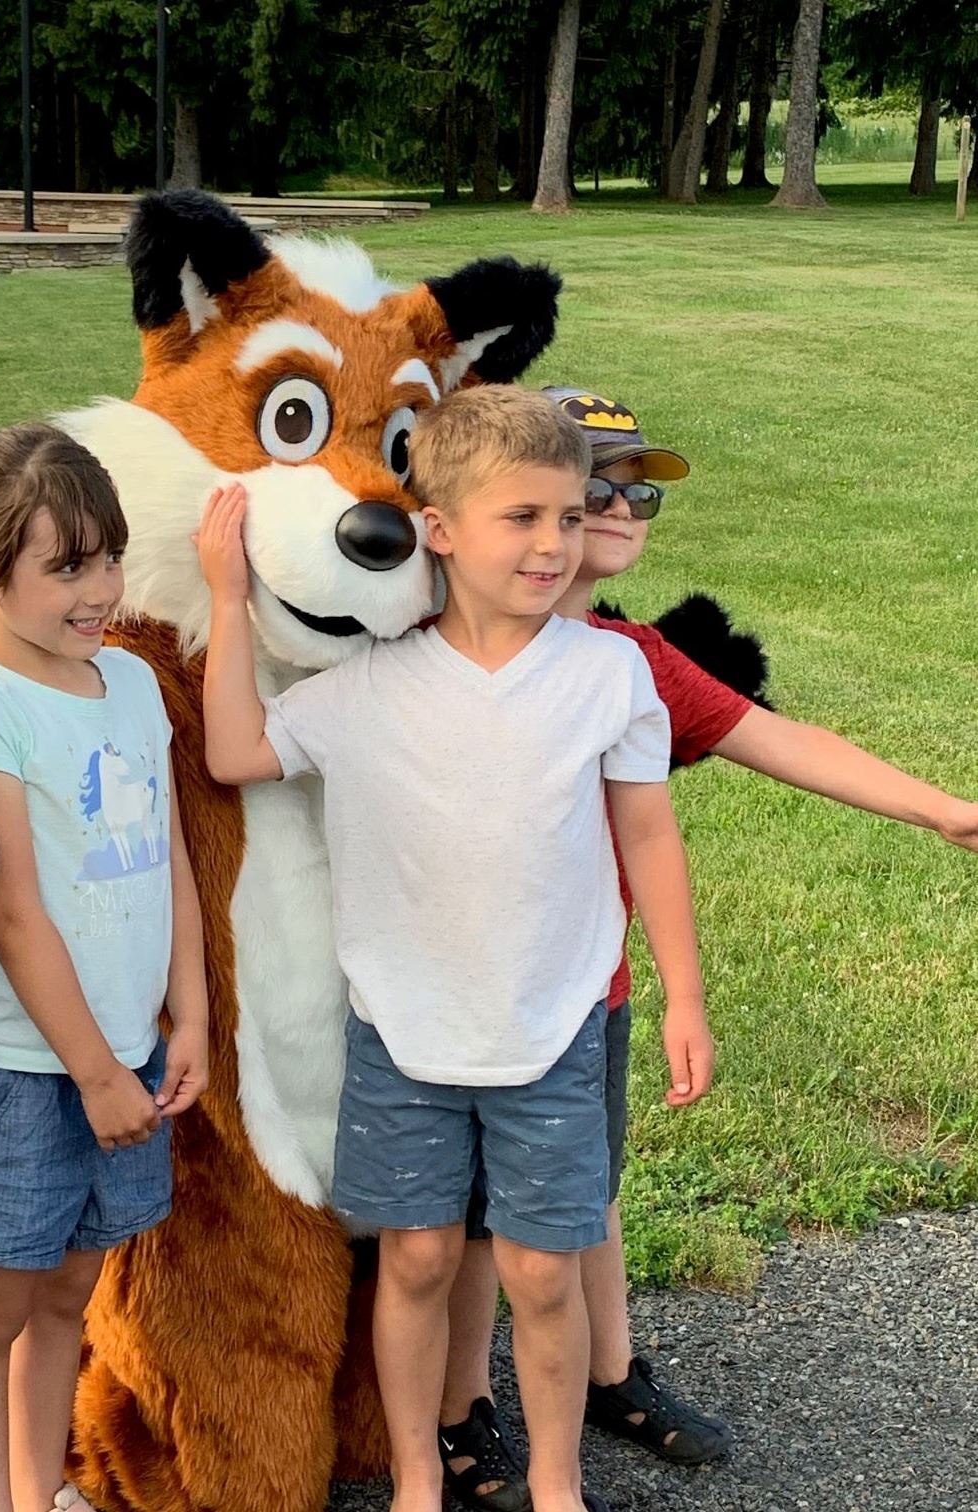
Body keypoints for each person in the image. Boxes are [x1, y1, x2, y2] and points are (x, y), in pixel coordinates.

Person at [437, 385, 978, 1511]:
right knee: (477, 1221)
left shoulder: (630, 658)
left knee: (582, 1190)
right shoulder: (444, 640)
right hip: (463, 989)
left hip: (592, 986)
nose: (626, 505)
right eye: (604, 481)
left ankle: (609, 1374)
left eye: (642, 489)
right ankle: (459, 1415)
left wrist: (944, 810)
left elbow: (782, 738)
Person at [193, 383, 715, 1512]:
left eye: (569, 517)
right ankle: (420, 1477)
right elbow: (234, 751)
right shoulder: (366, 689)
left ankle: (561, 1484)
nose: (552, 544)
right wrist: (228, 599)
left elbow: (648, 833)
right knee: (419, 1261)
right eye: (520, 518)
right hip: (402, 1031)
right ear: (439, 529)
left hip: (555, 1028)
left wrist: (682, 996)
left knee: (540, 1270)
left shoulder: (610, 674)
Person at [0, 423, 209, 1512]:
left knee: (69, 1290)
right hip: (22, 1074)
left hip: (128, 1053)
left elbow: (169, 864)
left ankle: (37, 1490)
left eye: (106, 557)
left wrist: (188, 1019)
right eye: (65, 567)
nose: (99, 589)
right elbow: (15, 916)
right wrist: (99, 1076)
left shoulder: (130, 685)